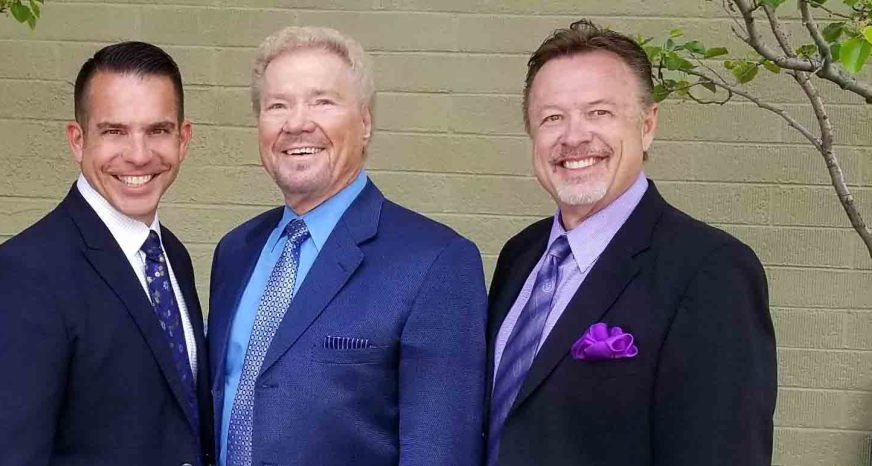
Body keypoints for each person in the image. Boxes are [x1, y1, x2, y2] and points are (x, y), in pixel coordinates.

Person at [484, 19, 777, 466]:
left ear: (647, 125)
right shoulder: (520, 255)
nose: (573, 136)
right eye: (552, 117)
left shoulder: (711, 273)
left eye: (599, 112)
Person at [208, 26, 488, 466]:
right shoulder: (235, 252)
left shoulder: (436, 262)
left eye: (322, 101)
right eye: (278, 105)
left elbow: (439, 451)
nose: (297, 123)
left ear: (365, 123)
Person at [0, 41, 211, 466]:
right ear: (77, 141)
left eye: (158, 130)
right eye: (114, 131)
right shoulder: (21, 277)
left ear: (183, 139)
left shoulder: (171, 255)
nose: (138, 155)